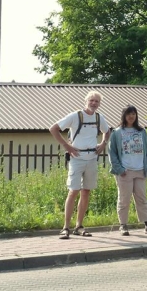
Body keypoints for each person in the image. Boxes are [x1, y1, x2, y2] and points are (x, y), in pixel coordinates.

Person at [50, 91, 110, 239]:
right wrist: (67, 146)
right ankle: (66, 227)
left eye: (96, 101)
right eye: (91, 100)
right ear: (86, 101)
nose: (94, 103)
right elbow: (53, 129)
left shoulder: (98, 117)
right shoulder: (75, 116)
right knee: (73, 191)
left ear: (99, 103)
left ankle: (79, 226)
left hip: (91, 158)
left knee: (86, 191)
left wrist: (103, 144)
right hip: (76, 158)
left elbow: (107, 132)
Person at [108, 106, 147, 236]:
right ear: (124, 116)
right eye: (128, 114)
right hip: (125, 171)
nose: (131, 116)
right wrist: (119, 169)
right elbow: (112, 153)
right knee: (124, 199)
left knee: (142, 198)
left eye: (133, 114)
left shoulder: (142, 131)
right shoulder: (117, 132)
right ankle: (123, 225)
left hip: (140, 170)